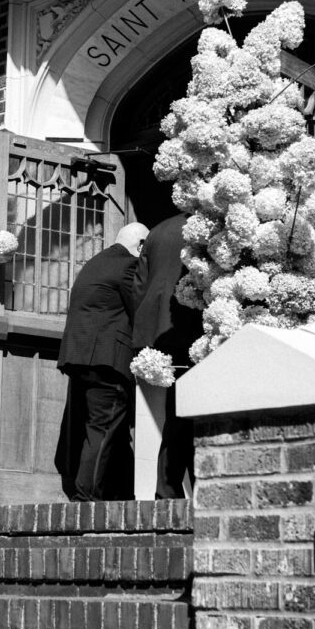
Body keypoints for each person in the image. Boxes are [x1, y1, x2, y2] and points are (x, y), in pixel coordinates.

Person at [55, 222, 149, 501]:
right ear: (141, 245)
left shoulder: (96, 262)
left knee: (106, 429)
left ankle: (116, 494)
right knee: (104, 426)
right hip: (107, 361)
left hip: (82, 358)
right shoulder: (128, 265)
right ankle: (86, 499)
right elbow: (139, 311)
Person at [132, 213, 203, 498]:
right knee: (195, 412)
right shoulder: (209, 225)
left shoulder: (157, 230)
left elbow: (138, 287)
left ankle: (168, 488)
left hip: (159, 329)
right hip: (193, 325)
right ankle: (191, 488)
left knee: (177, 411)